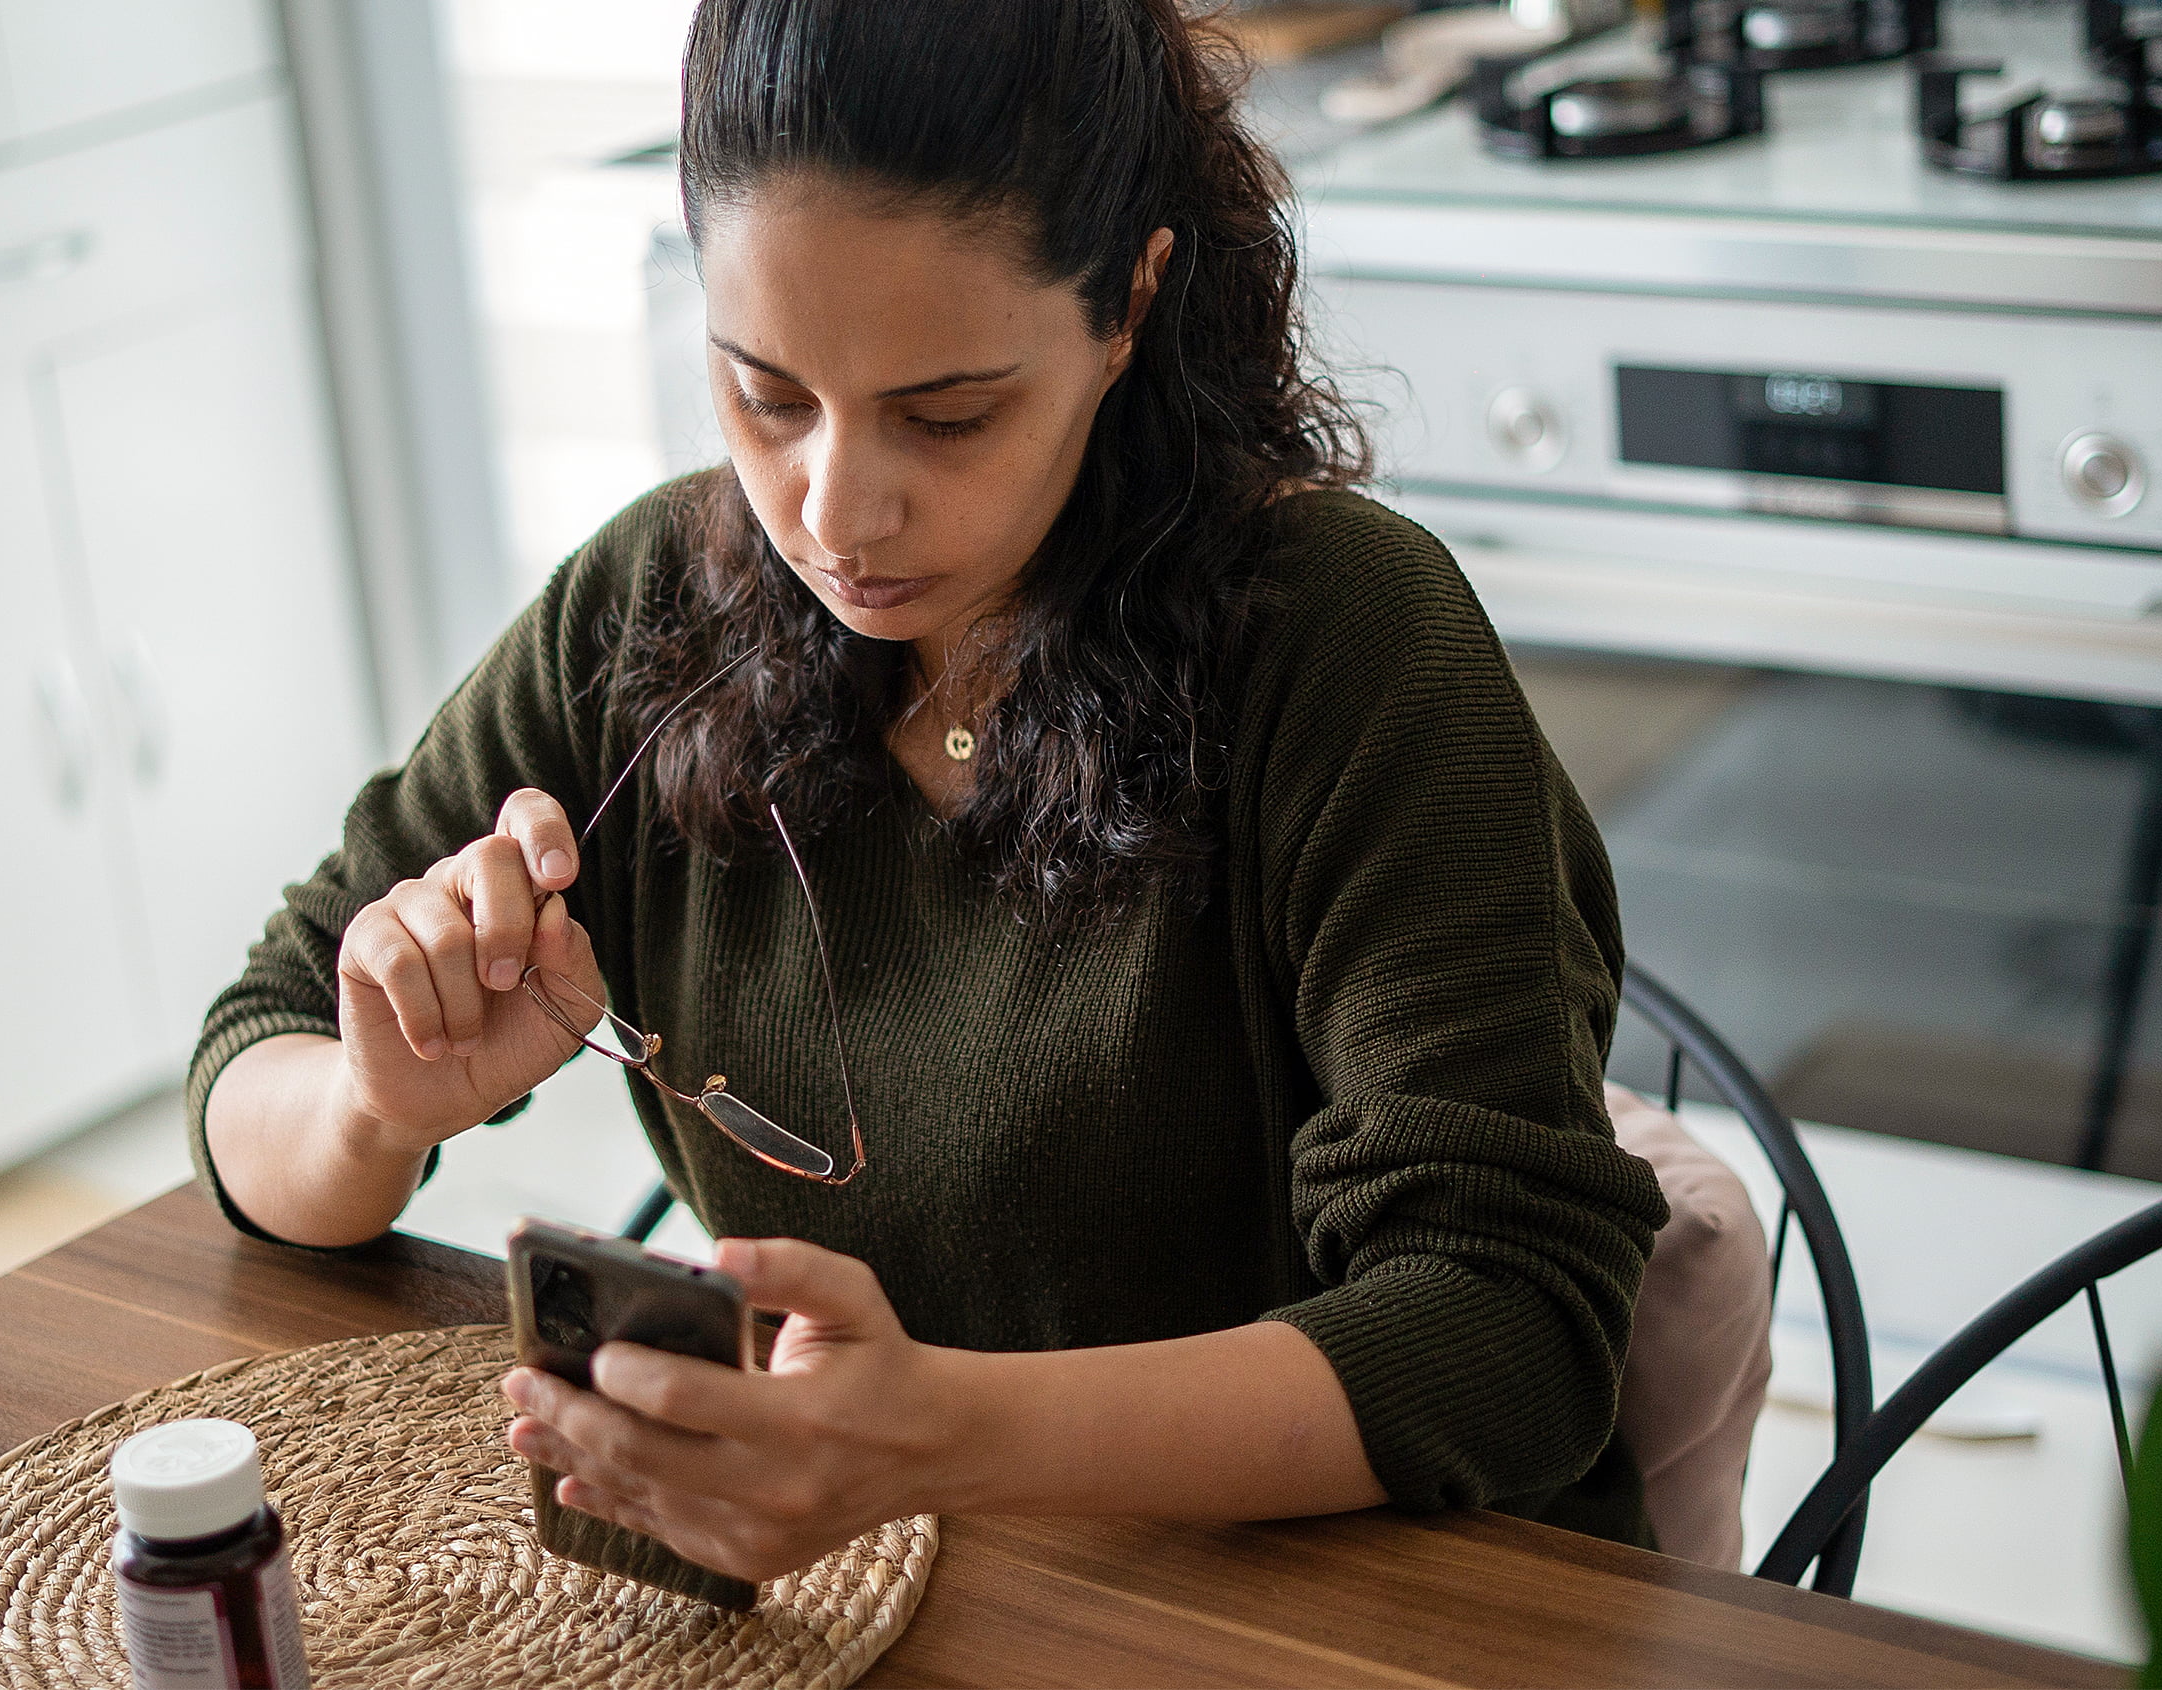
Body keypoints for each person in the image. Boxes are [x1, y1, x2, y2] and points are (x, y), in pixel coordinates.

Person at [192, 0, 1668, 1583]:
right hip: (915, 1595)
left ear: (1128, 309)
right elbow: (249, 1063)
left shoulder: (1343, 643)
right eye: (765, 393)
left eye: (948, 413)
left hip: (1347, 1607)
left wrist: (940, 1438)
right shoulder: (645, 618)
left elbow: (1507, 1324)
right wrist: (376, 1100)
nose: (836, 511)